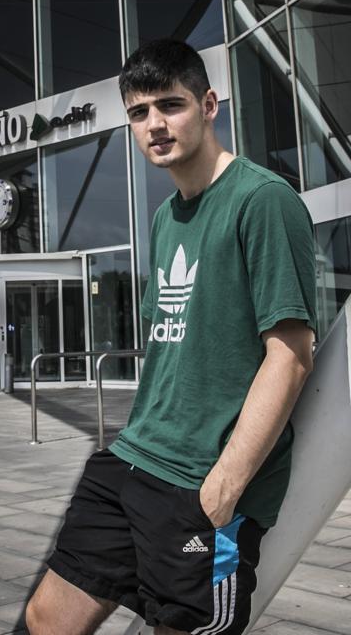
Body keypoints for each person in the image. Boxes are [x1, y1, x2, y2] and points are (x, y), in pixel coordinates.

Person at [26, 39, 316, 635]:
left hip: (200, 484)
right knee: (46, 618)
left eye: (170, 105)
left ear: (209, 105)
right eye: (138, 112)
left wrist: (221, 492)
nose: (154, 125)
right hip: (133, 460)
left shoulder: (262, 200)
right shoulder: (165, 217)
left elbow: (289, 357)